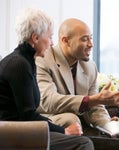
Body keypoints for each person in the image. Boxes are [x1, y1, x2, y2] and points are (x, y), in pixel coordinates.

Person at [0, 8, 94, 150]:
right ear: (35, 38)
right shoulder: (19, 64)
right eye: (49, 37)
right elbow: (28, 116)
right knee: (83, 143)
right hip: (12, 134)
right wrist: (64, 131)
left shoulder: (26, 61)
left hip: (20, 129)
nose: (51, 43)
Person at [35, 18, 119, 135]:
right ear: (65, 41)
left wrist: (108, 125)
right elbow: (48, 101)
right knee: (71, 119)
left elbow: (96, 107)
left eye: (91, 38)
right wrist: (92, 100)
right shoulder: (43, 60)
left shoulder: (90, 66)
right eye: (85, 39)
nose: (91, 44)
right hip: (50, 119)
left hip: (82, 124)